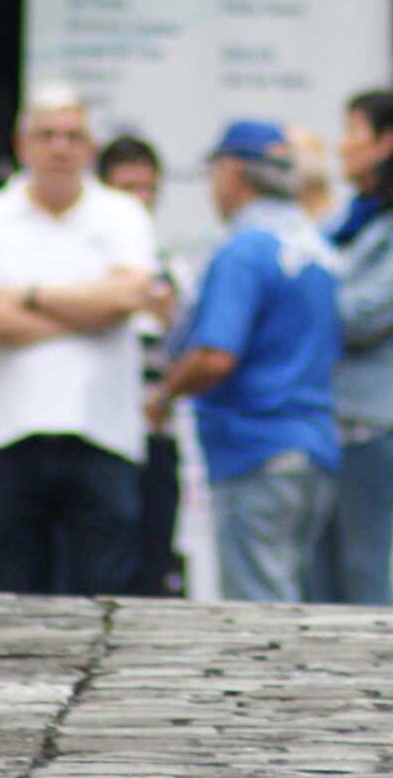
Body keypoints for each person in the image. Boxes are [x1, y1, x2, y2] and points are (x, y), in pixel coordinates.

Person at [0, 85, 161, 595]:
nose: (59, 148)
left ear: (91, 147)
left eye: (73, 136)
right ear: (22, 144)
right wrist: (88, 313)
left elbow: (129, 297)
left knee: (103, 595)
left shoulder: (124, 215)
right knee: (13, 596)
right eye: (46, 136)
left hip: (103, 434)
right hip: (6, 433)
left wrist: (29, 294)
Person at [145, 120, 340, 603]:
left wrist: (164, 393)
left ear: (232, 172)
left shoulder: (244, 251)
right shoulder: (317, 251)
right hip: (313, 446)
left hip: (257, 448)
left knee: (261, 612)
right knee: (293, 598)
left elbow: (215, 357)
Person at [304, 86, 393, 605]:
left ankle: (379, 688)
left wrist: (295, 311)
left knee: (363, 582)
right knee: (311, 588)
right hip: (316, 422)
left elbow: (363, 316)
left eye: (352, 132)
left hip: (368, 426)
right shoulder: (337, 223)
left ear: (387, 142)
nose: (340, 145)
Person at [98, 131, 186, 594]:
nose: (140, 200)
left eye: (148, 189)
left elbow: (191, 344)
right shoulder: (83, 259)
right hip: (98, 436)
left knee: (152, 564)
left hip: (155, 434)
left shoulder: (169, 265)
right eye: (127, 188)